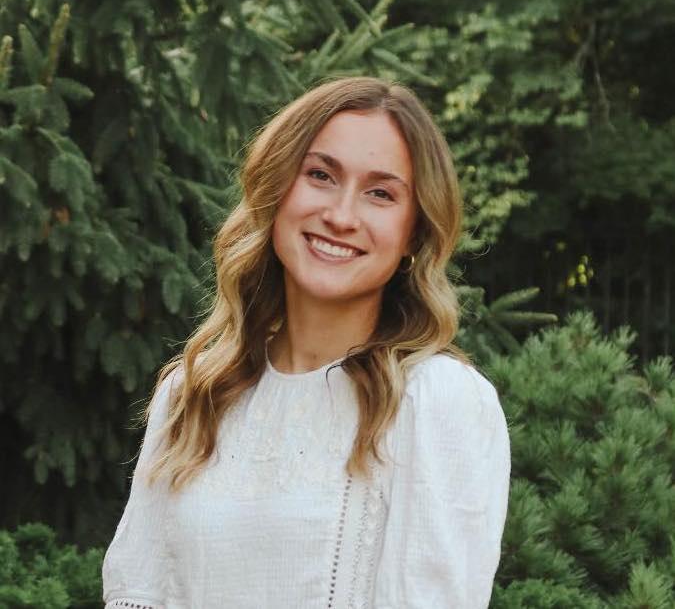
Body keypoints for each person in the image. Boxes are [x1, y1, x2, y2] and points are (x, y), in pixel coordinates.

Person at [102, 76, 511, 608]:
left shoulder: (435, 399)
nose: (341, 216)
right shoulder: (193, 392)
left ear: (413, 232)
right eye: (321, 175)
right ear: (277, 189)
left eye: (380, 193)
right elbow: (140, 594)